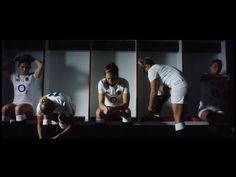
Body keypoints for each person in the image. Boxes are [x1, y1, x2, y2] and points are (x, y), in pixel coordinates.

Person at [138, 57, 188, 136]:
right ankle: (156, 112)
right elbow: (164, 90)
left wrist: (150, 109)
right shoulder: (162, 68)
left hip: (178, 87)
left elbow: (153, 92)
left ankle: (154, 112)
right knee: (160, 89)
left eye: (144, 69)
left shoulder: (152, 69)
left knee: (178, 120)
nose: (144, 71)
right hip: (185, 86)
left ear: (147, 65)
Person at [2, 54, 44, 124]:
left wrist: (32, 59)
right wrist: (13, 61)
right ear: (19, 67)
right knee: (4, 109)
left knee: (18, 108)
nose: (24, 69)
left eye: (27, 67)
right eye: (22, 67)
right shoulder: (14, 77)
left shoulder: (32, 76)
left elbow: (41, 65)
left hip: (29, 105)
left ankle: (21, 132)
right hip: (15, 104)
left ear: (30, 68)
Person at [198, 59, 230, 128]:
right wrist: (221, 77)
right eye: (215, 66)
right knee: (211, 117)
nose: (217, 69)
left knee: (222, 118)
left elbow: (223, 96)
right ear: (210, 67)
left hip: (217, 109)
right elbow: (205, 77)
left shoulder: (222, 81)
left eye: (219, 67)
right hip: (205, 108)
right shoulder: (205, 76)